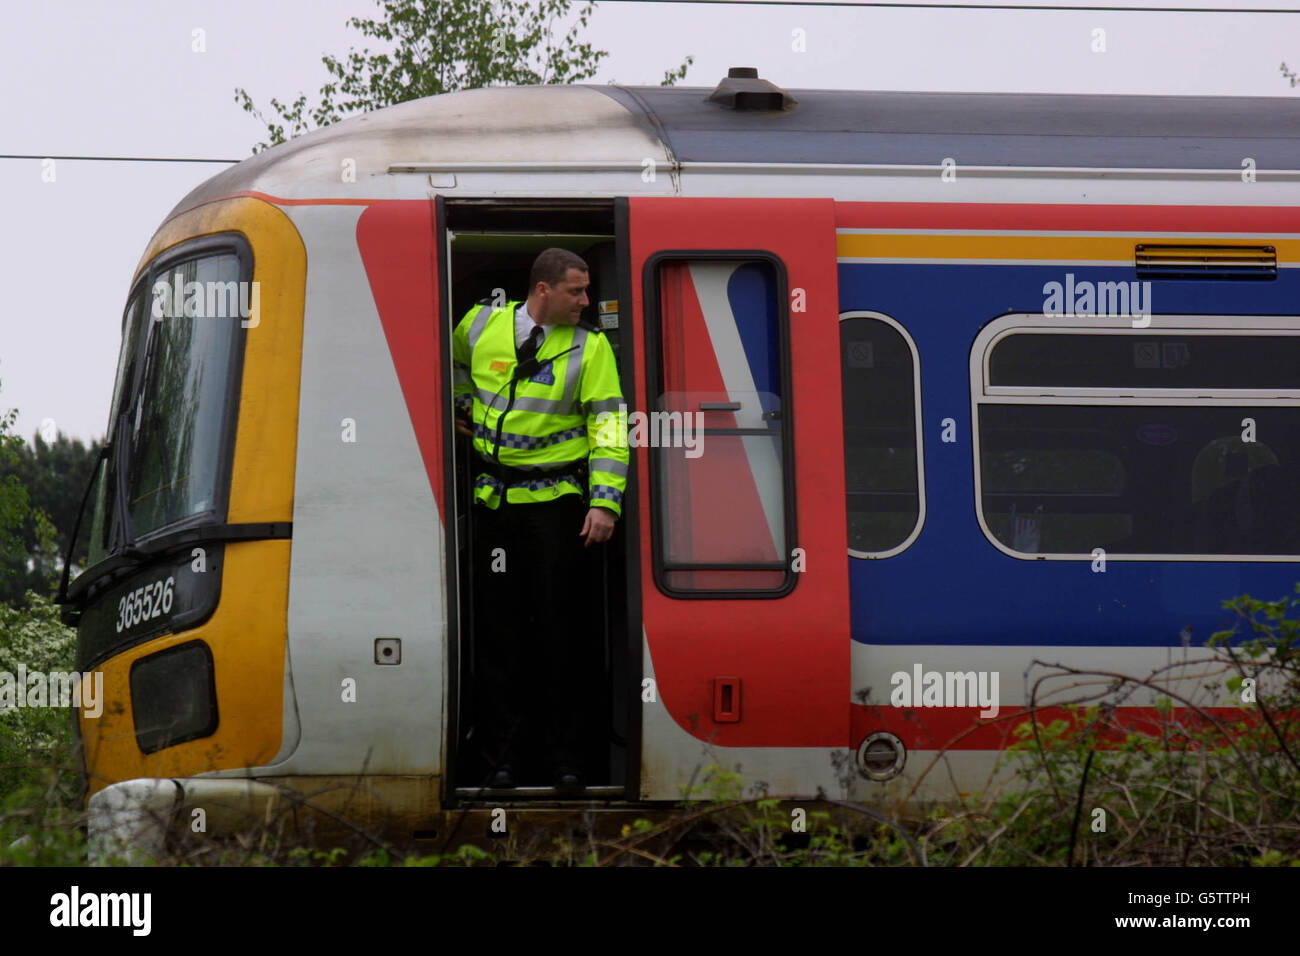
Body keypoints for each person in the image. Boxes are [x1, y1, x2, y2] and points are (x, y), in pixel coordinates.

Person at [452, 248, 628, 792]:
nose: (585, 300)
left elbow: (609, 425)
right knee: (498, 637)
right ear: (543, 290)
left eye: (586, 290)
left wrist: (605, 502)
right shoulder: (480, 323)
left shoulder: (590, 346)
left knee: (562, 637)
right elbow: (452, 362)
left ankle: (567, 762)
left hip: (556, 508)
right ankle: (500, 762)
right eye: (576, 291)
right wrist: (460, 405)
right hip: (494, 507)